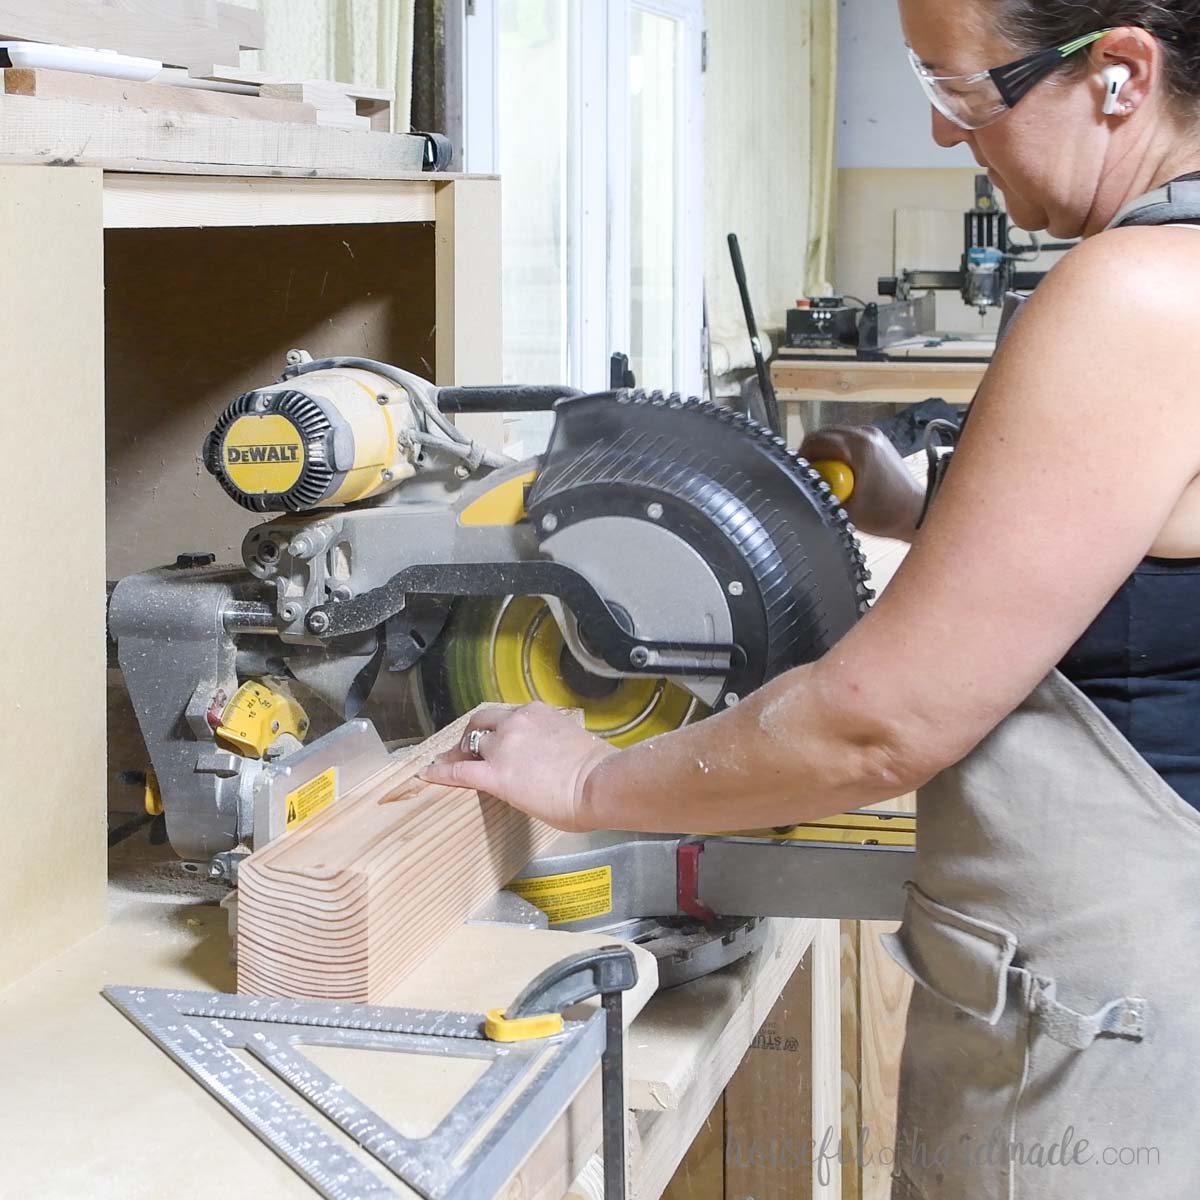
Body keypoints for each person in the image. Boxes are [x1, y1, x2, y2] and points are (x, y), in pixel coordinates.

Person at [425, 3, 1200, 1195]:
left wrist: (587, 783)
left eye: (962, 92)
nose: (950, 137)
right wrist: (922, 507)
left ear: (1120, 74)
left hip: (1114, 1022)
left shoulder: (1138, 293)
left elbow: (877, 722)